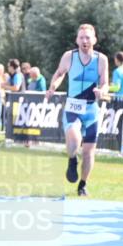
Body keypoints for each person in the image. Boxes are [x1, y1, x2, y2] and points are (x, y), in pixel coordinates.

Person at [46, 24, 109, 197]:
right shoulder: (69, 56)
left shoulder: (101, 59)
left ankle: (82, 184)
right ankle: (72, 159)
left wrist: (101, 91)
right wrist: (52, 87)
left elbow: (105, 83)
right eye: (81, 37)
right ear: (77, 40)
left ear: (94, 40)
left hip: (91, 109)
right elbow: (59, 74)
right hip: (73, 107)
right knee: (74, 138)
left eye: (88, 37)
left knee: (89, 151)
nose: (84, 41)